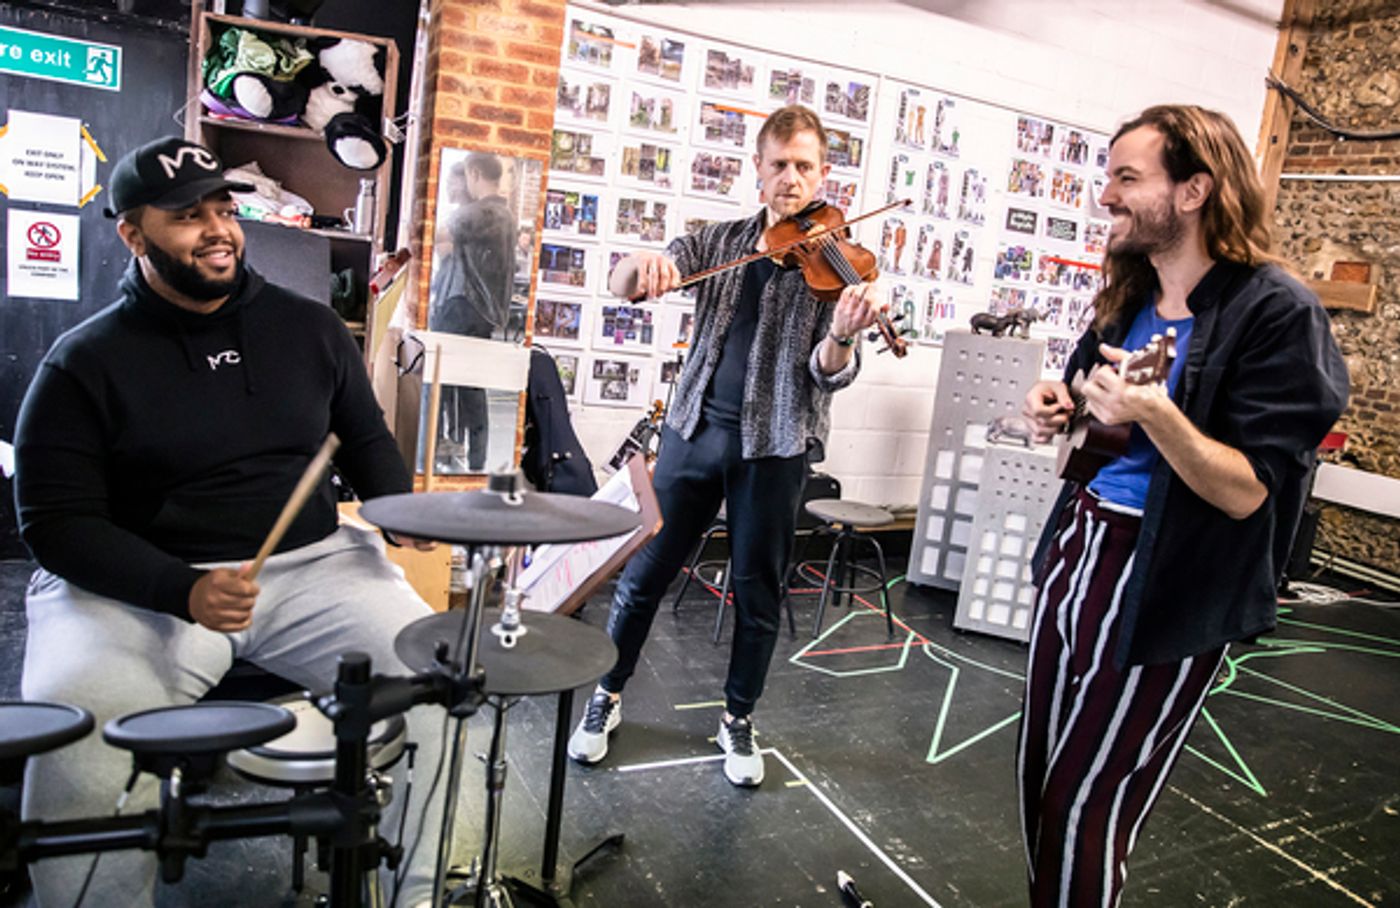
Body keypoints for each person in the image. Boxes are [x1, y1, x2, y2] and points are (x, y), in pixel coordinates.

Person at [13, 136, 446, 907]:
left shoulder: (310, 328)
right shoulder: (83, 362)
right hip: (138, 584)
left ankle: (422, 895)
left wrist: (397, 508)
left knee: (445, 685)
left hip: (315, 567)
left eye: (224, 209)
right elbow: (57, 526)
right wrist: (180, 589)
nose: (218, 230)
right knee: (81, 732)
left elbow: (364, 435)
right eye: (188, 216)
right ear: (134, 234)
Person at [1018, 105, 1349, 907]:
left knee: (1087, 804)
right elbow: (1083, 426)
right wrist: (1055, 407)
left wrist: (1156, 414)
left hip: (1166, 579)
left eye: (1127, 178)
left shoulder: (1276, 312)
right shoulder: (1128, 295)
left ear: (1194, 190)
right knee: (1041, 779)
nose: (1106, 195)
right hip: (1078, 552)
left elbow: (1250, 491)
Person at [567, 105, 882, 787]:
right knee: (643, 577)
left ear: (824, 174)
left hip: (777, 446)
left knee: (758, 593)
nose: (792, 178)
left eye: (805, 166)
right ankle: (608, 693)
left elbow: (830, 373)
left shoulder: (837, 264)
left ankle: (738, 717)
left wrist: (843, 333)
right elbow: (627, 285)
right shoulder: (717, 243)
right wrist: (641, 263)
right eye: (780, 165)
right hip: (693, 431)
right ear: (758, 170)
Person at [426, 152, 516, 472]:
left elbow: (432, 233)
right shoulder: (498, 214)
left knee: (449, 385)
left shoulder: (486, 212)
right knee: (467, 387)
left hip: (465, 308)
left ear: (474, 173)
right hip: (474, 310)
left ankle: (466, 458)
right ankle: (472, 458)